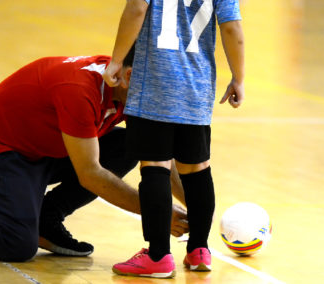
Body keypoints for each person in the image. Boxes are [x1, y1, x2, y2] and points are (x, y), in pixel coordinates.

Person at [0, 46, 189, 262]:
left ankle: (47, 218)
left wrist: (195, 205)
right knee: (16, 243)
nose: (160, 104)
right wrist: (156, 211)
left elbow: (159, 152)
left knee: (130, 145)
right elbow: (90, 174)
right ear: (128, 77)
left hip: (47, 149)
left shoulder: (127, 86)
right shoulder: (79, 90)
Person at [103, 0, 245, 278]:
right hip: (197, 87)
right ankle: (199, 250)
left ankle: (157, 255)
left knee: (155, 166)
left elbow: (136, 8)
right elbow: (232, 27)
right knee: (197, 169)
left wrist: (117, 59)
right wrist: (238, 78)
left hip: (153, 83)